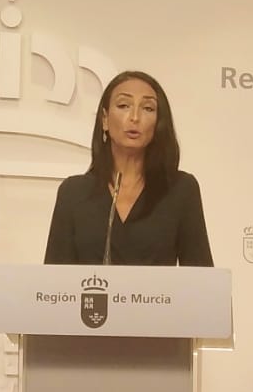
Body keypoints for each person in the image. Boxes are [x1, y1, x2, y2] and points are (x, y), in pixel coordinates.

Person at [44, 70, 213, 266]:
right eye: (124, 105)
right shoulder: (73, 193)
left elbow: (203, 279)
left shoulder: (181, 189)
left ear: (158, 123)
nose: (135, 117)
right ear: (105, 119)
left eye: (148, 108)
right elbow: (53, 285)